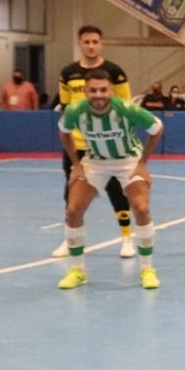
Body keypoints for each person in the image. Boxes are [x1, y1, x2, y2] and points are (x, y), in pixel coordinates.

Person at [55, 69, 163, 291]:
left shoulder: (126, 109)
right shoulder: (76, 110)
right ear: (85, 91)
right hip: (95, 162)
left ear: (111, 91)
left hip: (128, 161)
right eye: (92, 90)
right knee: (73, 211)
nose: (98, 95)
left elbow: (157, 128)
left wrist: (142, 163)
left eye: (103, 90)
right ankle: (77, 270)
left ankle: (147, 269)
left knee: (141, 209)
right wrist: (76, 164)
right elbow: (63, 131)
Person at [56, 25, 136, 259]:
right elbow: (66, 106)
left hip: (108, 144)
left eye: (95, 42)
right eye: (86, 42)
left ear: (101, 44)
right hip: (78, 145)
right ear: (80, 44)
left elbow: (125, 106)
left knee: (117, 190)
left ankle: (127, 237)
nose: (91, 45)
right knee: (71, 192)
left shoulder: (115, 72)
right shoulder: (68, 73)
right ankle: (69, 239)